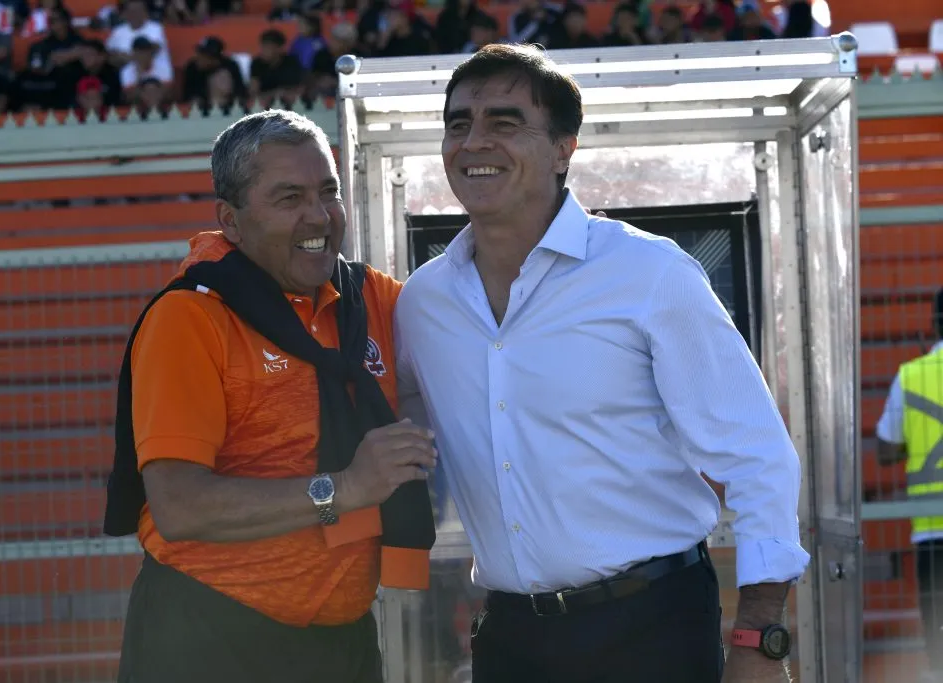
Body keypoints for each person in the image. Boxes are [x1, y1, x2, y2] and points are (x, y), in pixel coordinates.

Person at [393, 43, 810, 683]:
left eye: (505, 122)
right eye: (459, 124)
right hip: (510, 639)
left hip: (653, 632)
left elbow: (758, 460)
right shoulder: (422, 303)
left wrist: (758, 640)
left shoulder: (650, 273)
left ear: (564, 149)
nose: (474, 142)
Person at [104, 110, 437, 683]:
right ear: (230, 221)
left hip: (344, 641)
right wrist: (345, 488)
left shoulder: (371, 299)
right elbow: (179, 506)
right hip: (207, 640)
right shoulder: (190, 318)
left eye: (328, 191)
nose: (319, 216)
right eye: (289, 198)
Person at [876, 287, 943, 683]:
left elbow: (885, 449)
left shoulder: (912, 376)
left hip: (932, 531)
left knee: (938, 645)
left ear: (934, 323)